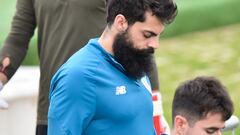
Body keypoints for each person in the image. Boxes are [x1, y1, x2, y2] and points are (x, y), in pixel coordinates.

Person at [0, 0, 166, 134]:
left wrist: (156, 109)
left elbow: (140, 38)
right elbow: (18, 38)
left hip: (110, 100)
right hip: (54, 104)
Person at [48, 0, 177, 134]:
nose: (155, 44)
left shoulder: (134, 60)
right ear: (121, 23)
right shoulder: (78, 77)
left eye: (158, 36)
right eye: (148, 35)